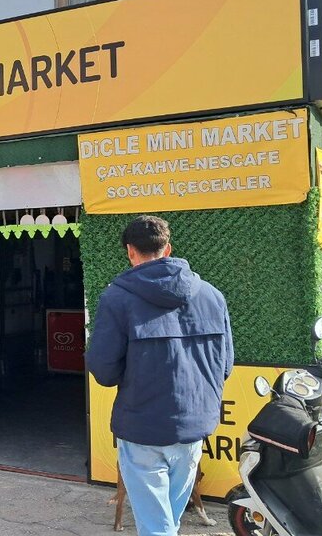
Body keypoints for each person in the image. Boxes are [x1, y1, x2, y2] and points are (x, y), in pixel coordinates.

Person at [86, 215, 234, 536]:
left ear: (130, 251)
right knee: (167, 522)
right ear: (168, 249)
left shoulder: (116, 298)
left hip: (142, 428)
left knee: (158, 527)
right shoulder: (212, 296)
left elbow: (103, 370)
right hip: (194, 428)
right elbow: (225, 366)